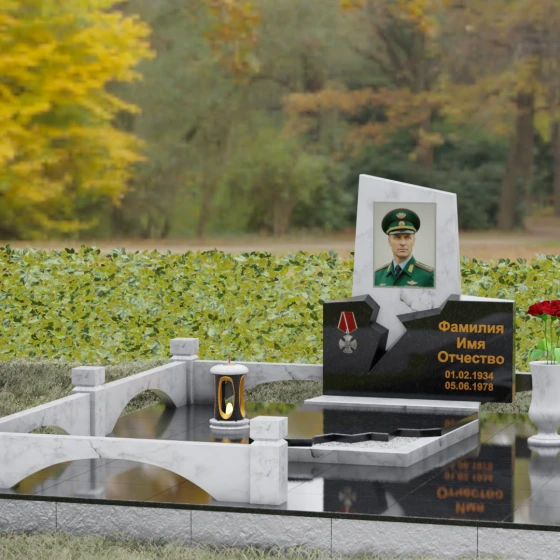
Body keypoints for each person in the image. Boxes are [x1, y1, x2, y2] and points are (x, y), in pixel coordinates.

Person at [374, 207, 435, 288]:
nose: (403, 243)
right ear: (389, 241)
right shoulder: (377, 276)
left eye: (407, 237)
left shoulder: (428, 276)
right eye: (397, 237)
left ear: (414, 240)